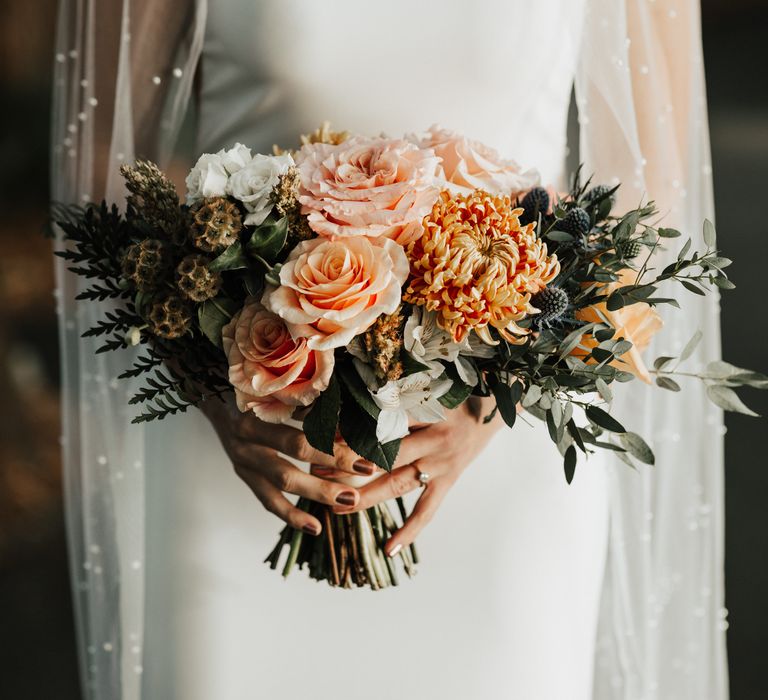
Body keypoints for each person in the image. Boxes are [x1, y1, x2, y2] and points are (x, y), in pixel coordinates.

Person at [51, 1, 727, 698]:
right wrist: (211, 380)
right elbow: (97, 168)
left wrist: (502, 394)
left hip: (500, 462)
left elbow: (654, 201)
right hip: (253, 445)